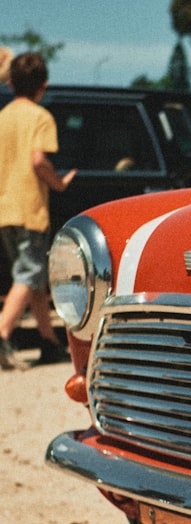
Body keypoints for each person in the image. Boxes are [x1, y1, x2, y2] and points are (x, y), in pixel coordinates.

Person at [0, 52, 76, 370]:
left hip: (4, 208)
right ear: (43, 87)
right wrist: (59, 183)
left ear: (11, 83)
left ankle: (49, 341)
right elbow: (38, 161)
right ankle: (2, 330)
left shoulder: (2, 116)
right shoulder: (41, 117)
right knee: (29, 273)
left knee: (34, 279)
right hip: (30, 208)